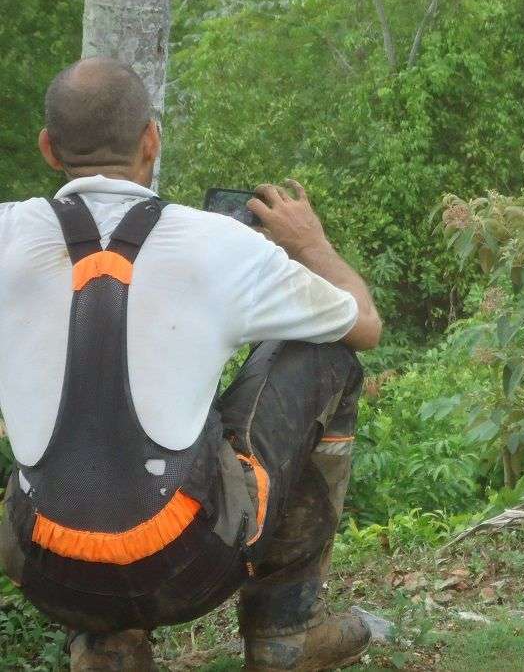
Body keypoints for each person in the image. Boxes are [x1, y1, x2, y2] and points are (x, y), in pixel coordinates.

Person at [0, 56, 382, 671]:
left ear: (48, 149)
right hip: (188, 562)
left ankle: (106, 648)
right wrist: (309, 243)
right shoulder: (218, 242)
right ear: (151, 139)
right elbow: (364, 324)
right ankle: (287, 630)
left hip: (48, 568)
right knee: (326, 356)